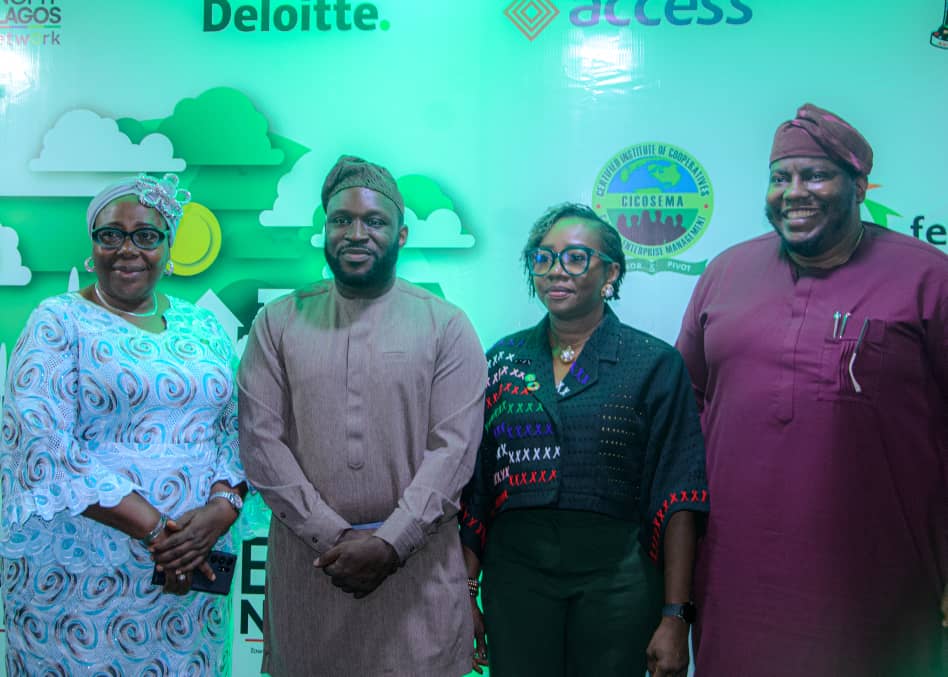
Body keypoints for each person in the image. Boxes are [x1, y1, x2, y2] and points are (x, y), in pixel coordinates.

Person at [675, 103, 948, 676]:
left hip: (880, 587)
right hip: (734, 583)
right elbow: (685, 412)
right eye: (781, 177)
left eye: (816, 175)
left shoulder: (929, 278)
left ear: (860, 186)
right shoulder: (725, 273)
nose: (794, 192)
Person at [237, 155, 487, 676]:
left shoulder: (445, 325)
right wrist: (333, 537)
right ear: (324, 230)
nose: (356, 234)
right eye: (341, 220)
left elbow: (455, 451)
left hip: (416, 576)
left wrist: (392, 542)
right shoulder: (278, 322)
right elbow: (261, 442)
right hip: (313, 571)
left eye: (374, 221)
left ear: (401, 234)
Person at [0, 173, 246, 674]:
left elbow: (236, 429)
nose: (127, 249)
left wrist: (221, 509)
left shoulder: (202, 325)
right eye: (111, 234)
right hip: (83, 578)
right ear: (93, 246)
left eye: (146, 235)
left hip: (190, 573)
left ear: (168, 247)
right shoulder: (58, 320)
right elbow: (43, 447)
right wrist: (160, 533)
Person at [459, 203, 709, 677]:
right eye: (543, 258)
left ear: (610, 272)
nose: (556, 270)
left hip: (619, 580)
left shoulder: (653, 363)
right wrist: (466, 593)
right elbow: (477, 489)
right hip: (516, 579)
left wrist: (676, 615)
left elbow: (679, 494)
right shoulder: (503, 360)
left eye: (575, 258)